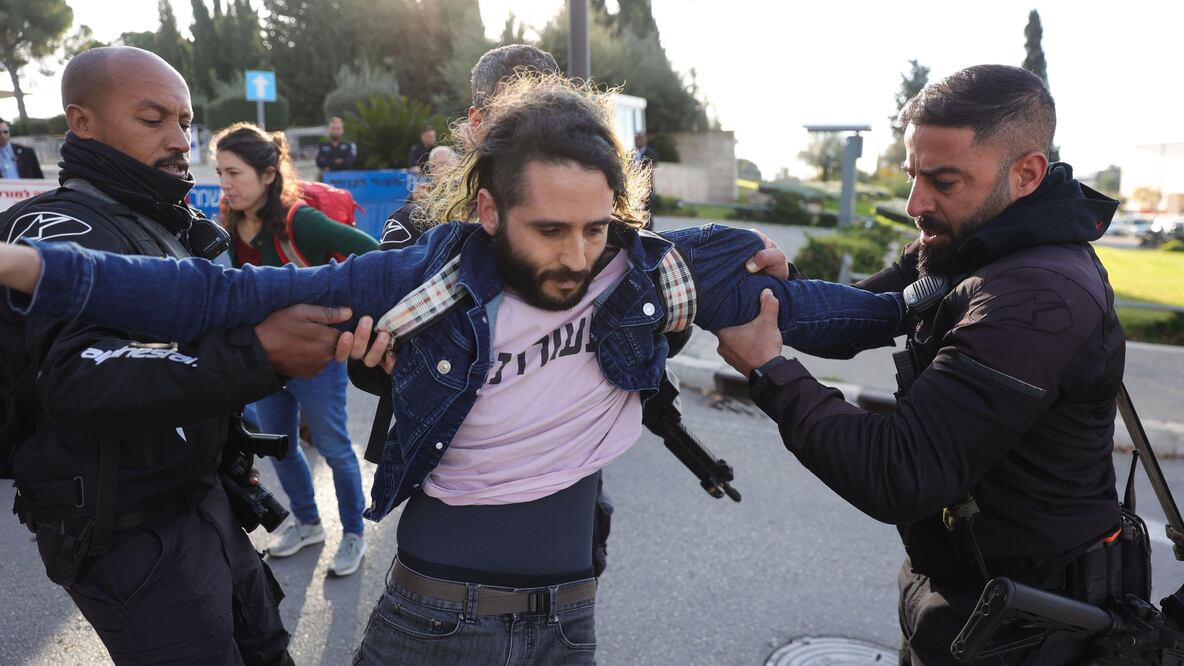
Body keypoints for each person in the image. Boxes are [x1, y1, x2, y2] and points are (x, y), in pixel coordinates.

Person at [0, 73, 906, 664]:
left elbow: (830, 313)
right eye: (549, 229)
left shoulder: (657, 269)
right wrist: (26, 266)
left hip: (569, 621)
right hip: (433, 622)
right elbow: (208, 298)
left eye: (596, 227)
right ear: (485, 209)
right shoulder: (419, 274)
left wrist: (937, 295)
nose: (578, 257)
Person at [713, 64, 1124, 665]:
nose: (915, 203)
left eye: (943, 180)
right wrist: (781, 287)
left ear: (1027, 173)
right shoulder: (970, 238)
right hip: (958, 597)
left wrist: (770, 371)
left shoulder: (1040, 296)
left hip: (1030, 626)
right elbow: (871, 313)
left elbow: (897, 472)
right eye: (912, 175)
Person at [0, 46, 378, 665]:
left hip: (206, 505)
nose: (180, 140)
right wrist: (259, 353)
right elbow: (79, 379)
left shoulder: (167, 221)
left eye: (185, 121)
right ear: (82, 121)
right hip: (129, 534)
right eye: (154, 121)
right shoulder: (54, 229)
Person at [215, 122, 379, 576]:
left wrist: (349, 314)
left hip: (315, 359)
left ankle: (353, 534)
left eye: (234, 173)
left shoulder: (298, 220)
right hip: (263, 359)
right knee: (280, 447)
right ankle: (308, 524)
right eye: (220, 172)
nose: (224, 184)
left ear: (268, 175)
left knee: (334, 447)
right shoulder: (228, 225)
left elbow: (371, 252)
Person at [634, 131, 658, 228]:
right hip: (635, 187)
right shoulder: (632, 153)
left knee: (647, 211)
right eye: (636, 138)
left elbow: (651, 168)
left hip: (646, 186)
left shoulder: (650, 153)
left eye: (639, 138)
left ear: (644, 140)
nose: (637, 141)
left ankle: (649, 231)